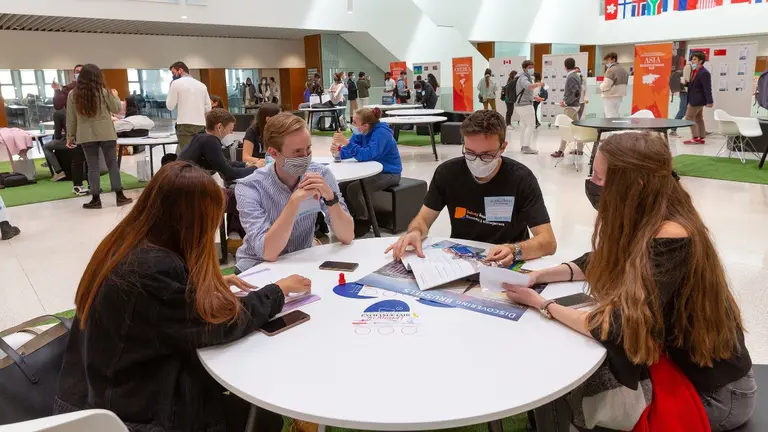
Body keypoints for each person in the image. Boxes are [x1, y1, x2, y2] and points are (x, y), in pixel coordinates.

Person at [504, 132, 755, 431]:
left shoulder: (672, 235)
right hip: (680, 366)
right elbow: (597, 259)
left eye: (599, 177)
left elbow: (616, 327)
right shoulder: (652, 216)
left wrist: (543, 304)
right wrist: (537, 275)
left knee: (568, 379)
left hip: (715, 395)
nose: (592, 185)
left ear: (634, 184)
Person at [54, 161, 310, 432]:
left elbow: (156, 308)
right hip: (136, 412)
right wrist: (277, 291)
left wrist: (198, 286)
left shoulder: (127, 243)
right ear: (191, 219)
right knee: (262, 419)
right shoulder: (153, 269)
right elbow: (219, 324)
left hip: (101, 388)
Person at [385, 110, 556, 263]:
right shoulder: (447, 173)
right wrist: (415, 232)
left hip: (508, 260)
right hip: (461, 258)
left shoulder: (521, 179)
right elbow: (423, 219)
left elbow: (548, 242)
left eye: (487, 155)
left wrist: (515, 250)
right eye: (470, 153)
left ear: (503, 147)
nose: (477, 162)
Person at [235, 113, 354, 270]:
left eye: (308, 148)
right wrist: (294, 202)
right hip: (257, 265)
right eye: (297, 152)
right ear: (274, 153)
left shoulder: (321, 174)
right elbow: (269, 253)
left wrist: (331, 199)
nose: (305, 157)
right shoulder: (250, 187)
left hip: (300, 260)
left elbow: (347, 236)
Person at [178, 108, 256, 242]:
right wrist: (255, 169)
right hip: (193, 192)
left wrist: (246, 165)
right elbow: (229, 173)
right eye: (230, 129)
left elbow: (223, 163)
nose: (231, 133)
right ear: (219, 127)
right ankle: (234, 236)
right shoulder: (210, 141)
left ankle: (234, 235)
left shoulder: (201, 137)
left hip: (184, 186)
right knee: (240, 194)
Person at [66, 64, 132, 210]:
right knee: (112, 165)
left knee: (92, 167)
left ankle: (95, 199)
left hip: (85, 135)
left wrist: (70, 136)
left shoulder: (73, 94)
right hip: (106, 133)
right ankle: (120, 196)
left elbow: (71, 118)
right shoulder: (104, 92)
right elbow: (117, 109)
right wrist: (114, 95)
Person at [331, 107, 402, 237]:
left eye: (355, 123)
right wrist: (339, 152)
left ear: (365, 125)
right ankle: (348, 217)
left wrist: (346, 143)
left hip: (389, 173)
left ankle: (363, 220)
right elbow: (351, 151)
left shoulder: (382, 134)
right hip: (371, 171)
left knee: (355, 189)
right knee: (341, 186)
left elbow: (367, 154)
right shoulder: (360, 133)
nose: (352, 125)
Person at [166, 61, 211, 151]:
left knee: (186, 153)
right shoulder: (202, 85)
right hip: (200, 124)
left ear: (180, 70)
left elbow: (170, 106)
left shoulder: (176, 83)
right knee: (198, 152)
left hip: (184, 124)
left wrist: (170, 88)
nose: (173, 76)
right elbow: (208, 107)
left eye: (173, 73)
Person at [552, 58, 583, 158]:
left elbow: (576, 93)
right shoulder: (576, 76)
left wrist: (566, 102)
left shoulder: (571, 77)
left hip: (571, 106)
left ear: (565, 66)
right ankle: (579, 149)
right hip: (574, 105)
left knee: (564, 128)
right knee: (577, 128)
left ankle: (561, 151)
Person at [515, 60, 545, 155]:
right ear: (525, 68)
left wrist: (535, 98)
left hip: (521, 104)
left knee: (524, 125)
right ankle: (526, 147)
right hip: (525, 105)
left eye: (532, 67)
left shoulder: (521, 76)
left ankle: (523, 146)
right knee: (531, 125)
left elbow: (525, 92)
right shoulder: (523, 77)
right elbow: (528, 86)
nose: (532, 69)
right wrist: (538, 84)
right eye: (530, 67)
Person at [684, 51, 713, 145]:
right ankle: (701, 137)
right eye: (692, 59)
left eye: (695, 59)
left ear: (701, 61)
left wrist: (710, 101)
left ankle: (695, 137)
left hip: (697, 100)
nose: (692, 61)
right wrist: (686, 84)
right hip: (695, 98)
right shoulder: (695, 72)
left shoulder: (704, 73)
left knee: (688, 117)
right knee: (698, 118)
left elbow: (707, 88)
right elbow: (695, 85)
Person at [42, 109, 69, 182]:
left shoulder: (58, 113)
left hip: (70, 140)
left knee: (46, 147)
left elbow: (57, 134)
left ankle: (58, 171)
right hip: (82, 138)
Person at [599, 52, 629, 118]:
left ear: (613, 60)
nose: (606, 62)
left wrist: (600, 86)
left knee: (610, 115)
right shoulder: (623, 70)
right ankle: (616, 127)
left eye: (607, 60)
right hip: (620, 95)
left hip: (611, 95)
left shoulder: (611, 70)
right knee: (616, 113)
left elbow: (606, 85)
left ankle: (611, 128)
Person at [670, 62, 692, 138]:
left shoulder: (689, 67)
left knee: (695, 112)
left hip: (685, 91)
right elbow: (685, 81)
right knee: (682, 111)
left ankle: (701, 130)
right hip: (685, 91)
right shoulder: (689, 67)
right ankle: (673, 130)